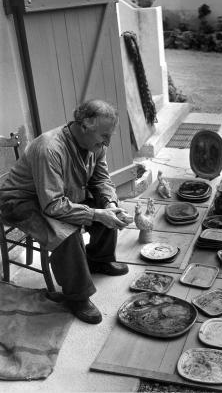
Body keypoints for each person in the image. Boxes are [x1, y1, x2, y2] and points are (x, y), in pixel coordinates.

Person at [0, 99, 132, 324]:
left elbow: (101, 179)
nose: (108, 142)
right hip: (20, 200)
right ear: (84, 126)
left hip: (55, 195)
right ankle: (77, 296)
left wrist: (109, 204)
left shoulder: (95, 144)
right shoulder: (49, 148)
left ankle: (99, 259)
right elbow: (52, 206)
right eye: (104, 136)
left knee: (105, 203)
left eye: (110, 135)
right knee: (64, 233)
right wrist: (96, 214)